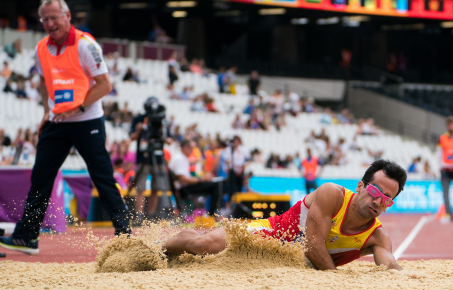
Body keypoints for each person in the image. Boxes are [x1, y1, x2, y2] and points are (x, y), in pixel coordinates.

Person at [0, 0, 131, 255]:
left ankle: (125, 235)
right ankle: (27, 236)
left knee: (102, 176)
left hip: (87, 120)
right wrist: (46, 112)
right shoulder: (41, 48)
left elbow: (104, 85)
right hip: (57, 121)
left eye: (54, 18)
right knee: (41, 177)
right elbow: (42, 79)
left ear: (68, 15)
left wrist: (78, 108)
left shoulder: (85, 44)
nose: (49, 24)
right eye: (44, 20)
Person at [163, 160, 415, 274]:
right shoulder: (332, 194)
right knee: (202, 245)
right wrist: (336, 281)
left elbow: (391, 267)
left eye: (386, 199)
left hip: (286, 265)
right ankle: (154, 248)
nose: (378, 200)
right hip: (269, 235)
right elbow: (313, 246)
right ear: (360, 186)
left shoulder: (378, 238)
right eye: (375, 191)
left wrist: (403, 276)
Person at [169, 139, 224, 217]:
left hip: (186, 187)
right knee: (216, 185)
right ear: (185, 147)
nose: (192, 151)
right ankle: (212, 215)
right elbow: (183, 179)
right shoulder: (179, 159)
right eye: (191, 149)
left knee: (215, 184)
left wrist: (203, 178)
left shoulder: (182, 158)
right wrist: (201, 179)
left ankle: (212, 214)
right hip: (184, 189)